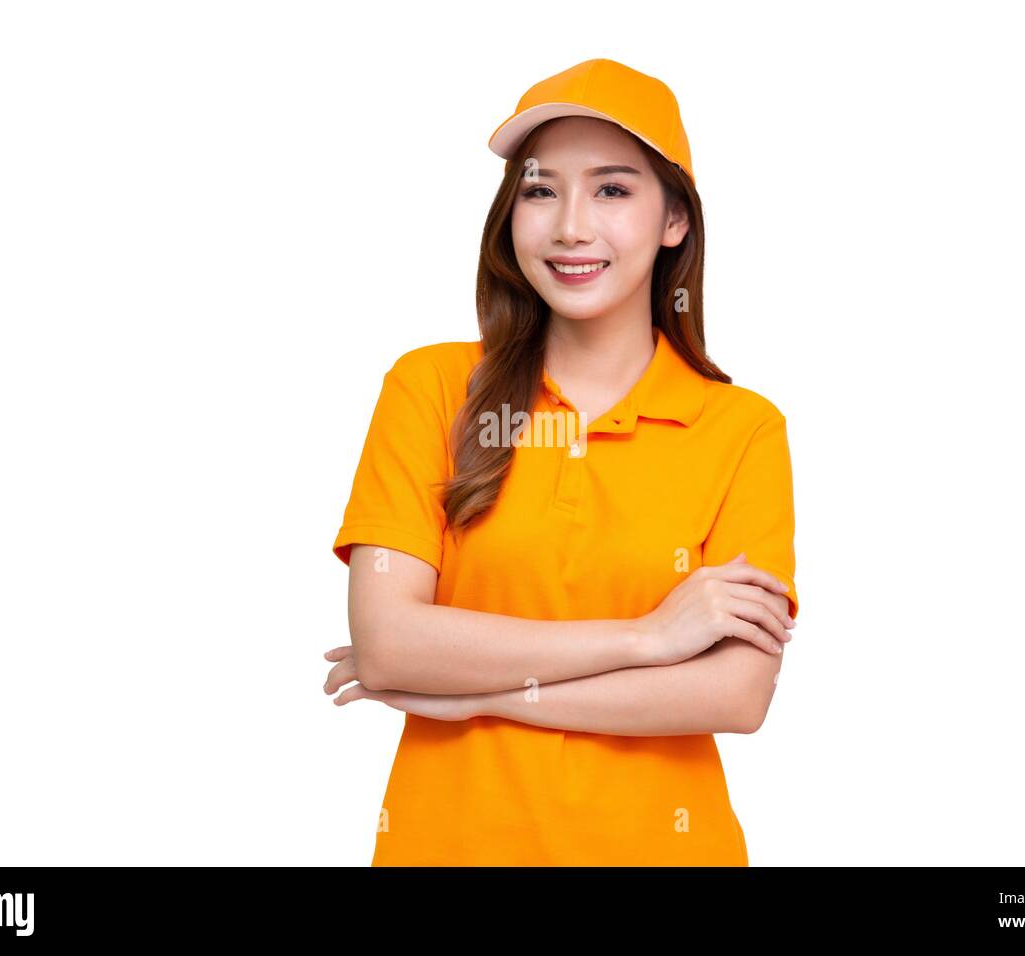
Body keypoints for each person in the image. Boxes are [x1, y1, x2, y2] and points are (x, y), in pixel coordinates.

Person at [326, 58, 798, 866]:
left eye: (613, 190)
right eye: (541, 190)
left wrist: (470, 691)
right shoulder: (433, 388)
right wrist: (649, 639)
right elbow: (389, 644)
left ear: (674, 219)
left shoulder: (742, 428)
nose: (571, 226)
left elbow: (735, 694)